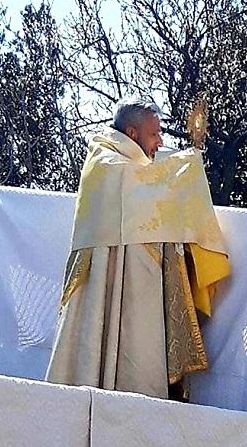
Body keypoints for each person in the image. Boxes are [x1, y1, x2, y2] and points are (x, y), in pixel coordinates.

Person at [45, 96, 230, 399]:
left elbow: (149, 186)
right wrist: (188, 165)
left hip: (135, 272)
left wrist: (190, 159)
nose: (159, 142)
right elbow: (140, 184)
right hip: (103, 273)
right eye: (154, 134)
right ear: (132, 134)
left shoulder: (133, 164)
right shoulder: (104, 162)